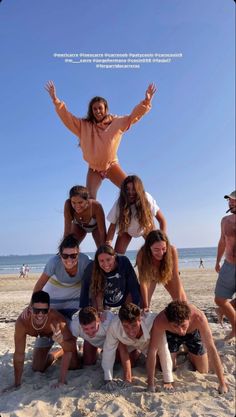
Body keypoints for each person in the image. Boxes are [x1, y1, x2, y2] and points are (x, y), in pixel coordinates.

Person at [45, 81, 156, 198]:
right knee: (90, 199)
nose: (97, 111)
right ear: (91, 111)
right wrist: (56, 100)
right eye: (94, 109)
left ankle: (149, 212)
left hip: (111, 166)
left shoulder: (117, 122)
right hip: (94, 170)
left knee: (131, 191)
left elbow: (133, 117)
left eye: (100, 108)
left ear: (106, 109)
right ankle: (96, 216)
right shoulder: (84, 126)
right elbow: (67, 118)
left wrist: (146, 102)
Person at [146, 300, 228, 394]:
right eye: (176, 326)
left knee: (203, 370)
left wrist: (222, 383)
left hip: (192, 333)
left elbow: (211, 348)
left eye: (183, 325)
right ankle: (178, 349)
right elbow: (152, 350)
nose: (181, 331)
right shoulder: (160, 320)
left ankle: (189, 352)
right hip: (171, 335)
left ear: (189, 318)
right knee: (169, 367)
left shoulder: (199, 317)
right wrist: (150, 384)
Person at [3, 291, 78, 391]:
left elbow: (71, 346)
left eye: (44, 311)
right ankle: (58, 353)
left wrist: (62, 342)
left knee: (74, 365)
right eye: (36, 310)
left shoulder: (57, 320)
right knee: (38, 368)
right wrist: (17, 383)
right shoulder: (22, 322)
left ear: (49, 309)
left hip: (57, 334)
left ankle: (63, 349)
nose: (40, 314)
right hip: (42, 336)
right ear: (30, 309)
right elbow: (19, 354)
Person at [101, 303, 173, 390]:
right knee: (118, 359)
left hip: (149, 345)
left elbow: (163, 350)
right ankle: (129, 374)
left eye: (134, 326)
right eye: (126, 326)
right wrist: (108, 379)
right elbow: (108, 351)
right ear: (120, 322)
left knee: (159, 366)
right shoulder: (114, 326)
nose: (131, 331)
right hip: (128, 344)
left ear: (140, 319)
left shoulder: (153, 321)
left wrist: (168, 381)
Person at [32, 235, 91, 320]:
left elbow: (94, 284)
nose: (69, 260)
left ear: (78, 253)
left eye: (73, 256)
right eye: (65, 256)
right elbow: (39, 285)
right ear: (60, 255)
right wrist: (32, 306)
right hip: (56, 288)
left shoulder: (86, 261)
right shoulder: (53, 263)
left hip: (76, 289)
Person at [106, 175, 167, 254]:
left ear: (139, 190)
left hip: (146, 228)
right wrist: (108, 244)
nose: (131, 192)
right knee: (118, 256)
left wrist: (162, 239)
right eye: (127, 189)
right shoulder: (119, 203)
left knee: (157, 251)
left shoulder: (147, 198)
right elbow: (112, 227)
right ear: (124, 190)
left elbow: (162, 220)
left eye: (134, 189)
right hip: (127, 231)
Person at [136, 230, 187, 311]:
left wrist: (178, 302)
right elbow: (143, 280)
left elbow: (175, 276)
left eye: (163, 248)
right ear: (149, 247)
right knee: (143, 307)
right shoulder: (141, 254)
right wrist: (145, 305)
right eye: (156, 249)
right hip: (150, 276)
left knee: (183, 303)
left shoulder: (172, 250)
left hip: (167, 274)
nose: (161, 253)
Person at [80, 244, 140, 312]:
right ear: (97, 261)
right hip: (102, 298)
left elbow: (133, 284)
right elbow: (84, 286)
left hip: (123, 296)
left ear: (114, 256)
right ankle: (101, 311)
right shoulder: (92, 267)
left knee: (130, 312)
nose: (106, 264)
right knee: (95, 293)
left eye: (108, 259)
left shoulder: (123, 262)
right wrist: (83, 308)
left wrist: (136, 306)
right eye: (101, 261)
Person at [214, 190, 236, 340]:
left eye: (234, 200)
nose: (230, 203)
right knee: (220, 299)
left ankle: (234, 329)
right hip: (228, 265)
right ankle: (222, 310)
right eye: (229, 200)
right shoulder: (225, 220)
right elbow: (222, 241)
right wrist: (217, 261)